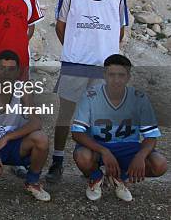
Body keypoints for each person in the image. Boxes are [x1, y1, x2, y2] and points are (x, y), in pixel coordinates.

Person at [47, 0, 129, 183]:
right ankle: (58, 160)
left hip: (105, 70)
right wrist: (77, 49)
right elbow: (61, 28)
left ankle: (100, 163)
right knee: (66, 114)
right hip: (75, 65)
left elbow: (120, 32)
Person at [71, 54, 167, 202]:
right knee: (82, 156)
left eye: (121, 75)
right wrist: (104, 151)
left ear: (128, 76)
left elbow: (151, 135)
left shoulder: (139, 98)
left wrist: (140, 156)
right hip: (99, 146)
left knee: (159, 164)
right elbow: (77, 133)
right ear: (104, 75)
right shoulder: (90, 96)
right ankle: (96, 178)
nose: (116, 80)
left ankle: (121, 178)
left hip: (128, 147)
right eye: (111, 75)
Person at [0, 50, 51, 201]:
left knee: (41, 139)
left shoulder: (23, 89)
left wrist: (8, 137)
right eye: (2, 68)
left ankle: (32, 181)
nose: (6, 73)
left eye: (11, 69)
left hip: (12, 143)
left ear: (17, 72)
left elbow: (36, 122)